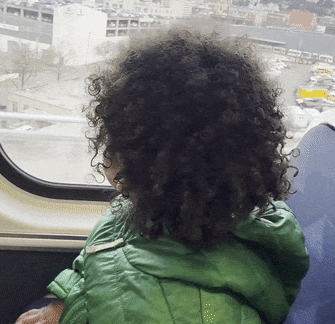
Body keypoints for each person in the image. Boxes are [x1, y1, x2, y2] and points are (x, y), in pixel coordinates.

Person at [16, 30, 309, 324]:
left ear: (147, 161)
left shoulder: (187, 312)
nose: (106, 154)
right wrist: (62, 304)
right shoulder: (149, 209)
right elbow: (100, 256)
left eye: (115, 142)